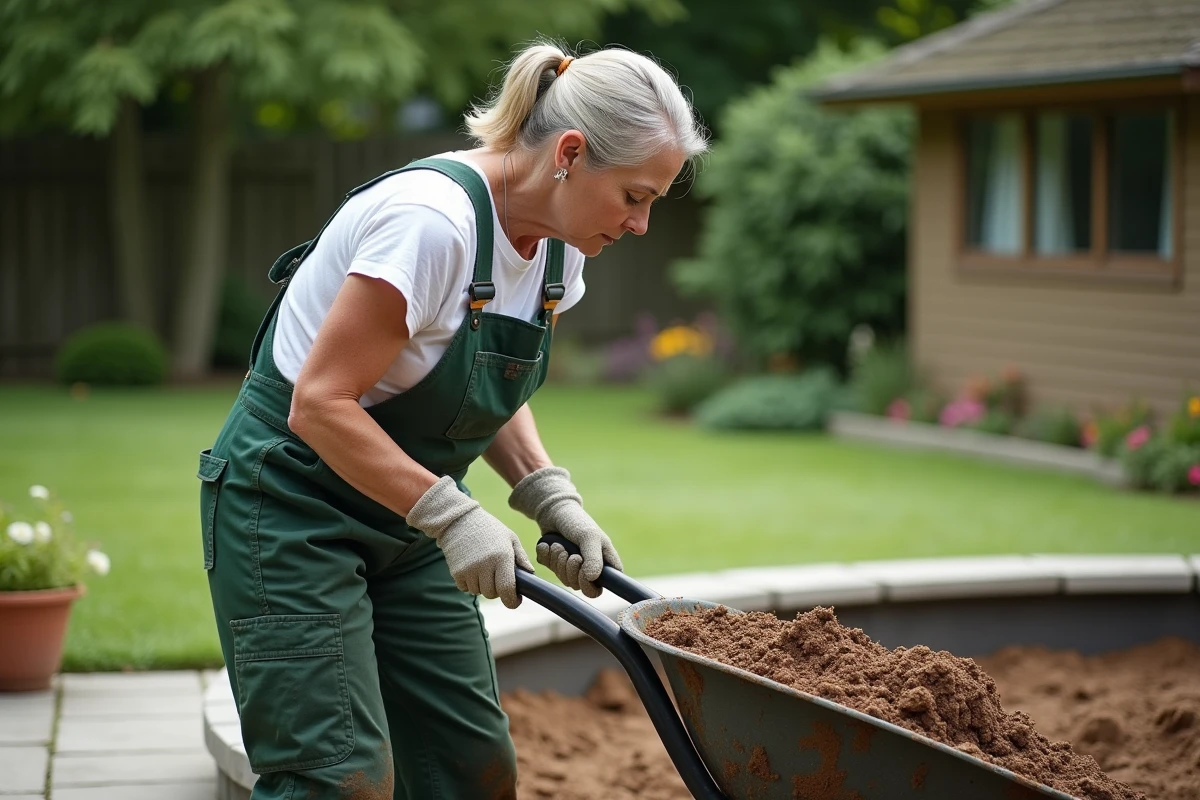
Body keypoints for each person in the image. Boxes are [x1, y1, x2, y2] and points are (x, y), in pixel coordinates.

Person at [197, 39, 707, 800]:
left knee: (470, 770)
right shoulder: (432, 224)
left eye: (652, 204)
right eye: (634, 196)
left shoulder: (560, 257)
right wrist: (451, 516)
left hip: (406, 526)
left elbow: (480, 385)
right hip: (290, 509)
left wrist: (546, 494)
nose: (639, 225)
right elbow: (320, 403)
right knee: (337, 778)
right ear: (570, 152)